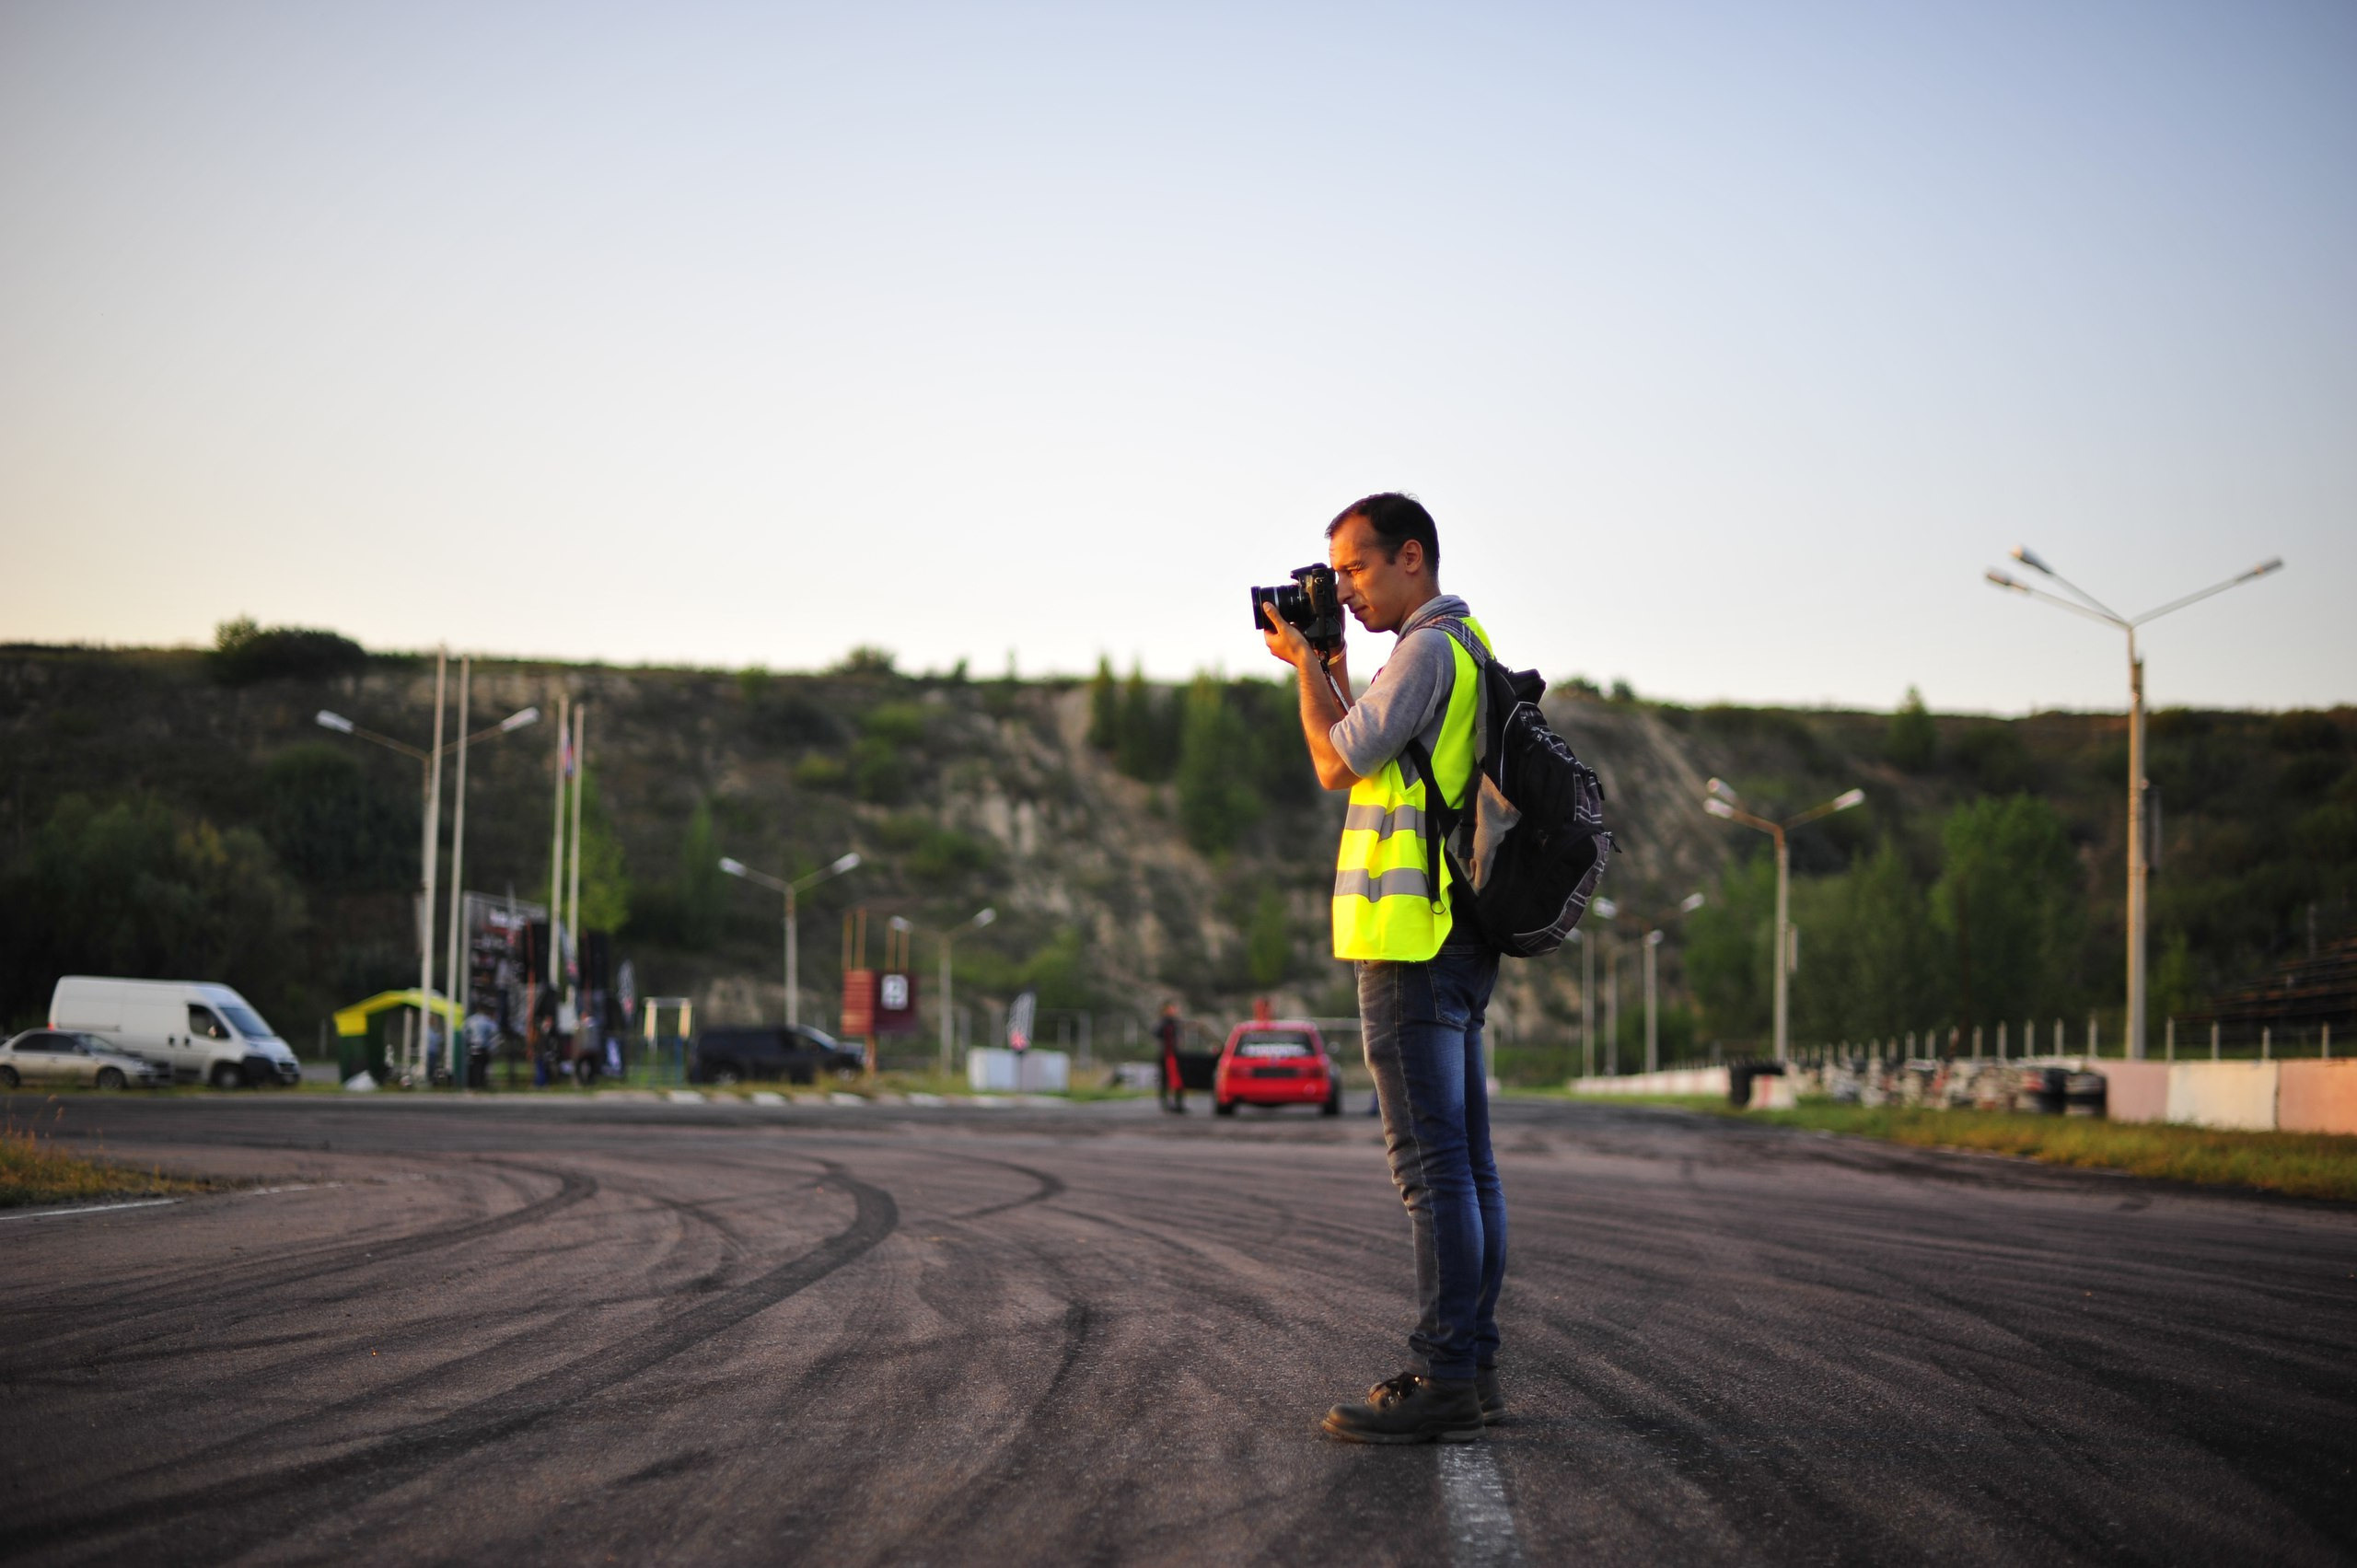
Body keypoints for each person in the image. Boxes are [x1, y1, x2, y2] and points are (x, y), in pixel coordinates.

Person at [1260, 492, 1504, 1445]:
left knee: (1431, 1167)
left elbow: (1335, 760)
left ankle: (1445, 1372)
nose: (1342, 590)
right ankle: (1471, 1366)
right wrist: (1330, 666)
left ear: (1412, 556)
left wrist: (1304, 672)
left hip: (1410, 937)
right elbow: (1374, 746)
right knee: (1467, 1164)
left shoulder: (1428, 649)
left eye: (1354, 570)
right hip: (1452, 933)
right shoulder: (1462, 644)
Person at [1156, 1002, 1187, 1113]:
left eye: (1173, 1009)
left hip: (1176, 1055)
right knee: (1165, 1080)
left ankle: (1178, 1104)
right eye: (1170, 1009)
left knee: (1179, 1080)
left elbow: (1180, 1036)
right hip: (1166, 1055)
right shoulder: (1163, 1023)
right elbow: (1157, 1033)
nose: (1173, 1011)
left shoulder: (1176, 1023)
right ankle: (1166, 1104)